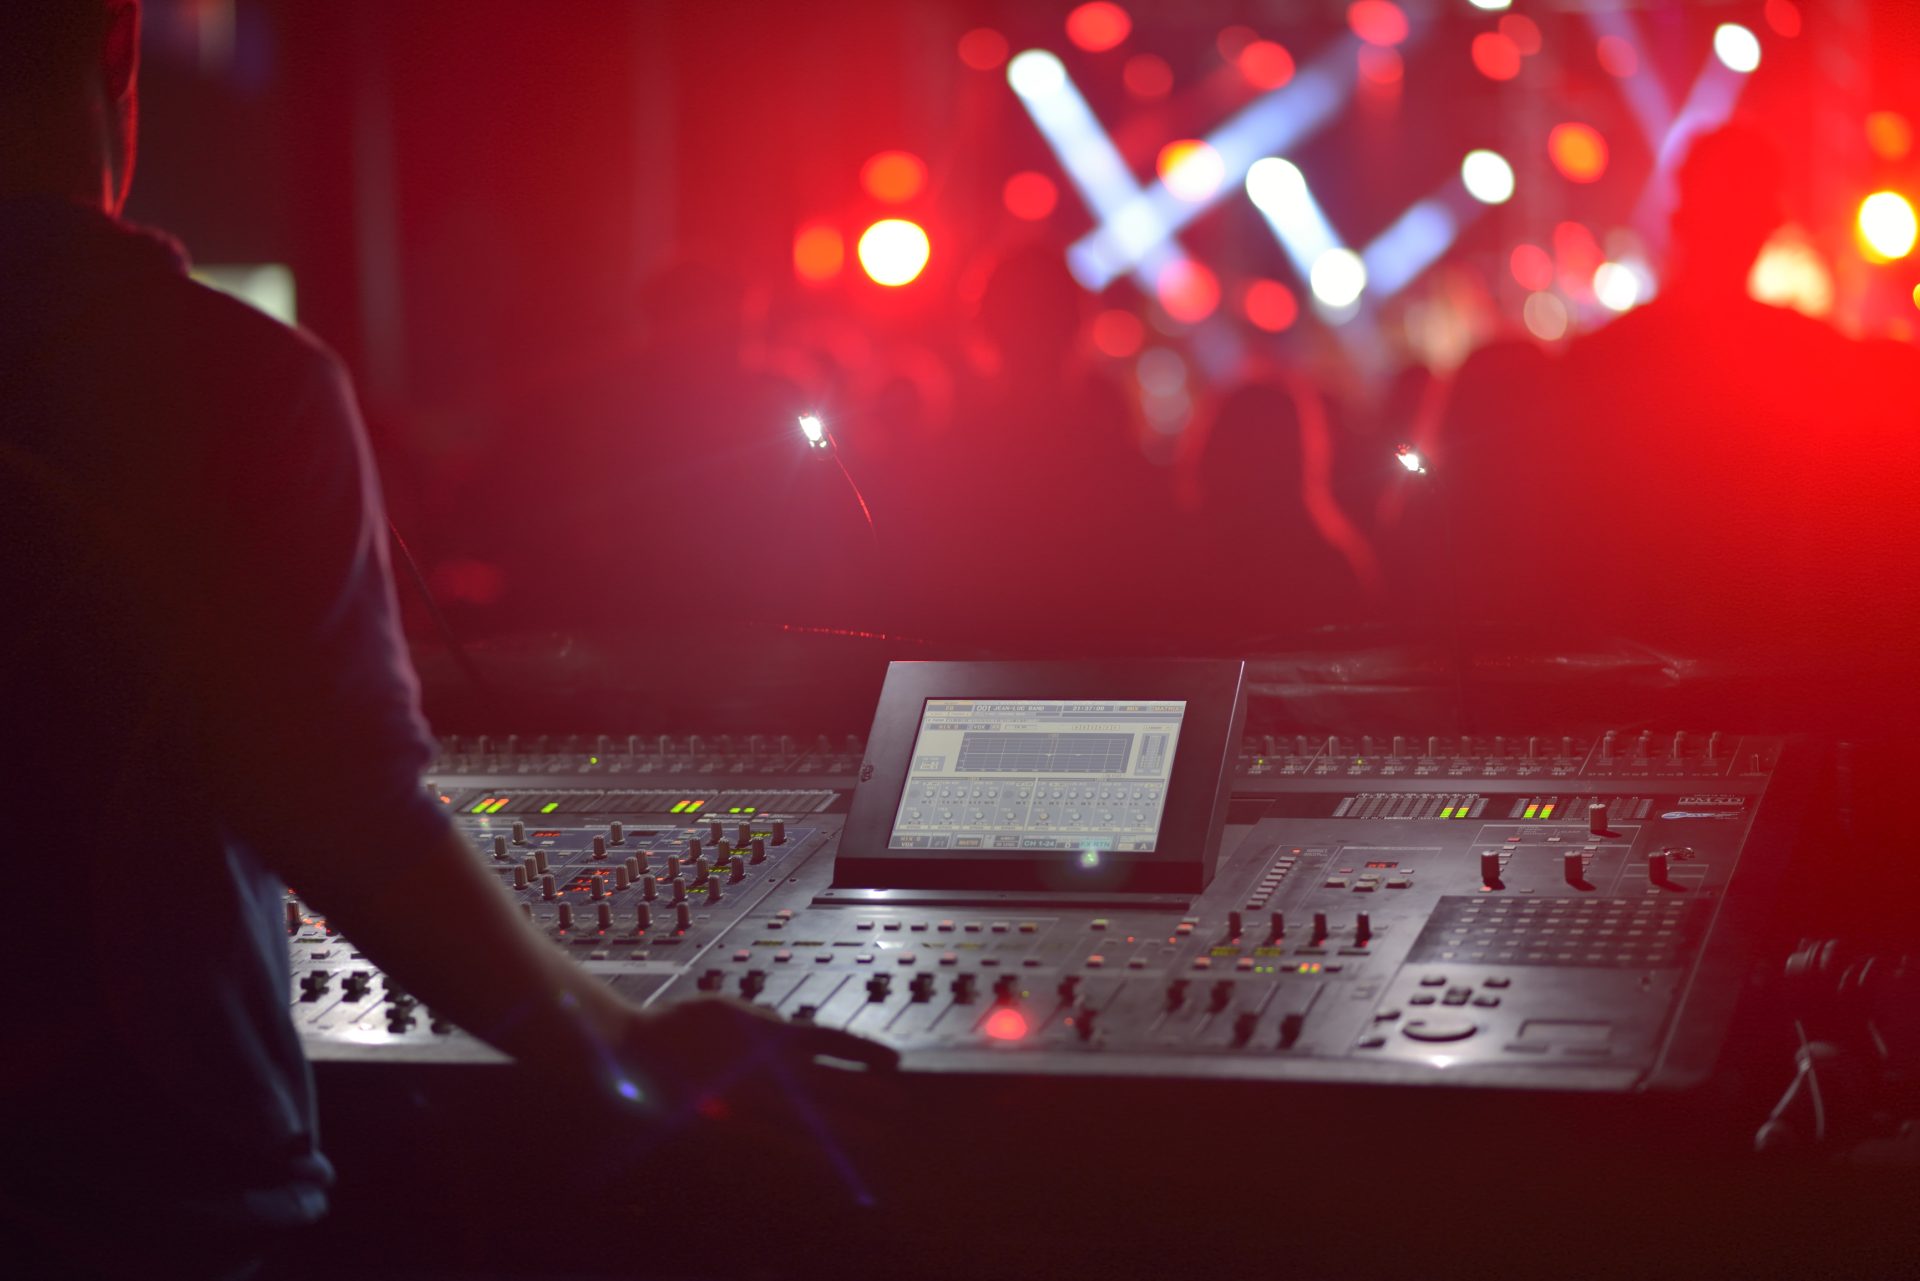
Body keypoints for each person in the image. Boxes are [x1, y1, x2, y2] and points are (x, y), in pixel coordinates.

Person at [0, 4, 892, 1277]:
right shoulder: (230, 385)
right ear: (118, 58)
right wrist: (626, 1047)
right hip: (145, 1199)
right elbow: (358, 827)